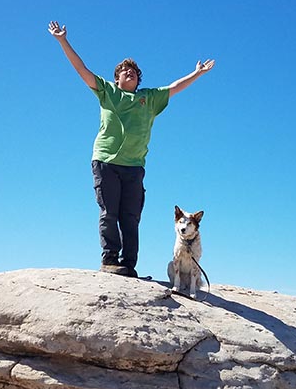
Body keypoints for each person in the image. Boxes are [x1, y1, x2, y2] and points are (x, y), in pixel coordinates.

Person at [48, 20, 214, 278]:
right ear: (116, 78)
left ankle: (129, 264)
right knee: (109, 212)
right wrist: (63, 41)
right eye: (125, 71)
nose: (130, 73)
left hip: (135, 166)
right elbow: (81, 69)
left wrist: (198, 74)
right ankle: (110, 259)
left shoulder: (148, 98)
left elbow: (174, 87)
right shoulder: (107, 92)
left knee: (131, 217)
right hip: (106, 161)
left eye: (134, 72)